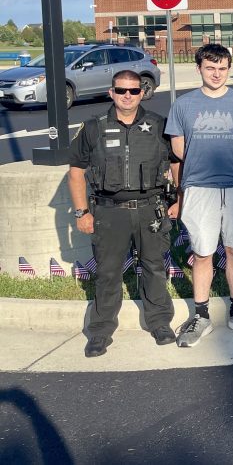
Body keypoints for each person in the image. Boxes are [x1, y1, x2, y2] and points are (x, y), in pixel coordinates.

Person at [68, 71, 179, 357]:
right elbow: (76, 172)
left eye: (133, 90)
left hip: (150, 209)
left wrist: (180, 198)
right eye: (121, 90)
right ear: (111, 93)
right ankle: (100, 330)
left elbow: (177, 162)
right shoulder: (93, 127)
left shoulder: (159, 125)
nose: (127, 96)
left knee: (154, 267)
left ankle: (160, 322)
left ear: (142, 93)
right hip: (109, 212)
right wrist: (81, 212)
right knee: (107, 272)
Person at [168, 44, 233, 347]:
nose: (217, 74)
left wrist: (232, 159)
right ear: (199, 68)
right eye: (210, 68)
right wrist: (203, 163)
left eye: (222, 68)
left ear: (229, 69)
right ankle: (201, 315)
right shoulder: (183, 104)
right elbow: (178, 148)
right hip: (199, 187)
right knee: (202, 252)